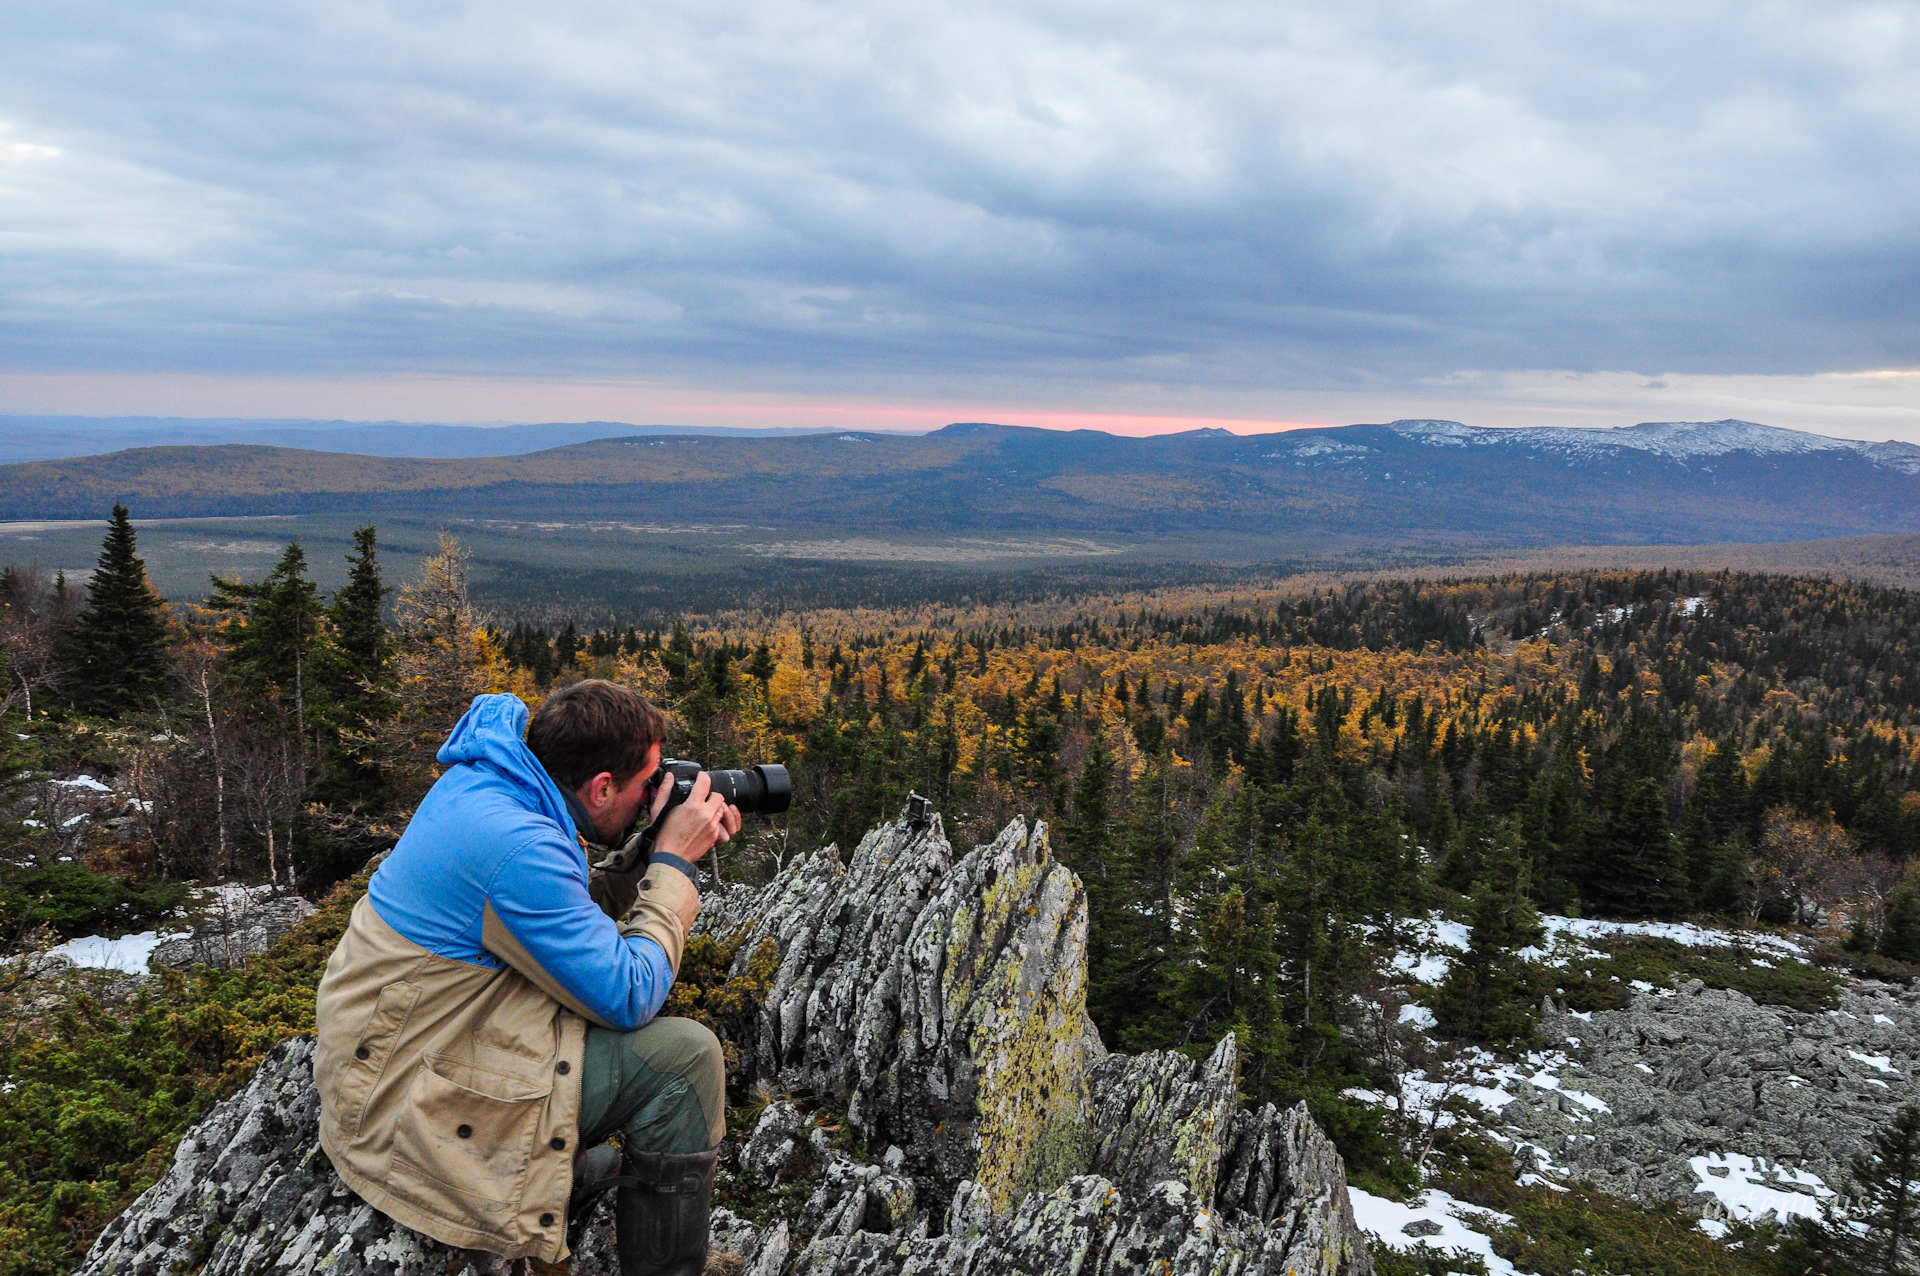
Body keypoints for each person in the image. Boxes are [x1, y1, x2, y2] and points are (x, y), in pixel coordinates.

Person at [313, 680, 740, 1275]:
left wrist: (645, 848)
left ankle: (552, 1158)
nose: (653, 797)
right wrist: (673, 865)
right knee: (687, 1060)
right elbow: (630, 993)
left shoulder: (497, 784)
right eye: (647, 785)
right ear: (600, 787)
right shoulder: (516, 846)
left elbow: (556, 916)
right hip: (402, 1105)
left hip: (405, 1045)